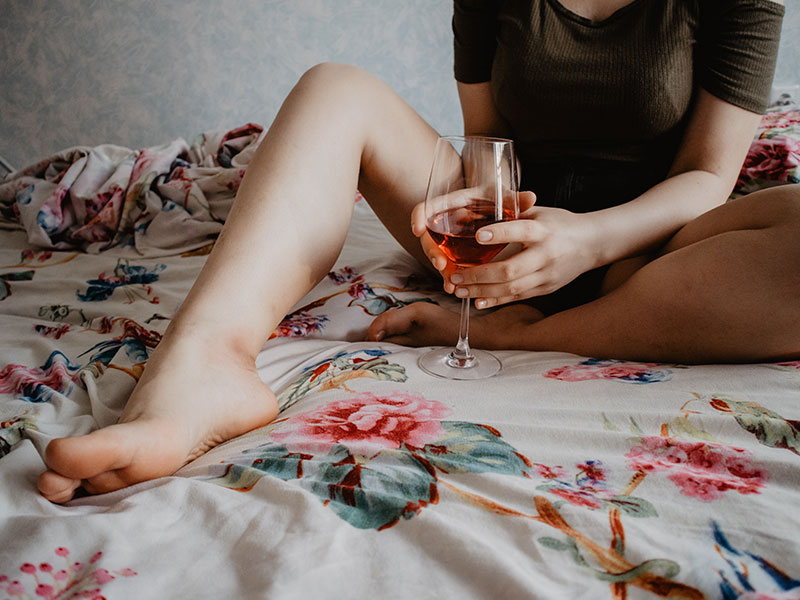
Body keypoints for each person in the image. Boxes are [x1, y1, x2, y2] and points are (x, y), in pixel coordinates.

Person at [38, 0, 798, 503]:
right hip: (506, 227)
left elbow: (707, 174)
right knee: (335, 87)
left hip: (650, 249)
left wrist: (587, 239)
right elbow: (484, 147)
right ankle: (204, 369)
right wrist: (471, 211)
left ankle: (530, 332)